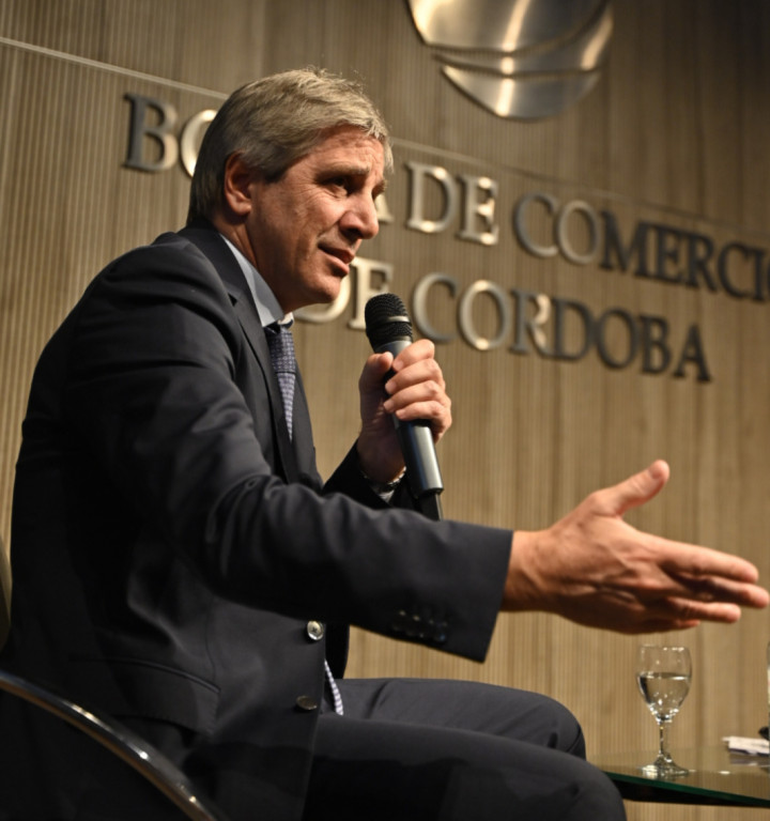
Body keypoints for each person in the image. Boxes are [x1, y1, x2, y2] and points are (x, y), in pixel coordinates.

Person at [0, 67, 766, 821]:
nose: (367, 220)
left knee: (550, 726)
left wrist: (371, 468)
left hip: (263, 694)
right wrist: (526, 563)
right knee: (571, 797)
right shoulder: (162, 292)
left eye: (375, 196)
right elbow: (237, 523)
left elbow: (257, 563)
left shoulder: (256, 325)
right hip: (170, 735)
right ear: (241, 183)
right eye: (340, 183)